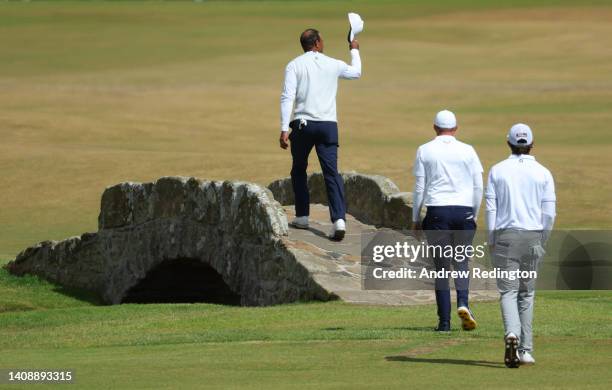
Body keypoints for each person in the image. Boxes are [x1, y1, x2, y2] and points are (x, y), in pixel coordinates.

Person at [279, 28, 361, 241]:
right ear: (316, 43)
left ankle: (303, 216)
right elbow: (356, 72)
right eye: (321, 39)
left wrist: (283, 129)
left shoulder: (294, 65)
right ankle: (339, 220)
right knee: (331, 173)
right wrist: (354, 50)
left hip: (302, 125)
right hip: (327, 126)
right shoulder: (333, 63)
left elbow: (287, 97)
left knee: (298, 169)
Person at [485, 123, 556, 368]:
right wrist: (543, 240)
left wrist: (492, 239)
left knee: (508, 292)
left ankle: (511, 334)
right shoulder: (543, 172)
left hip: (505, 237)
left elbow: (491, 208)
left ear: (509, 143)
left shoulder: (497, 170)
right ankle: (525, 350)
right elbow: (549, 213)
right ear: (532, 144)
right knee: (527, 294)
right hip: (533, 238)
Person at [412, 110, 483, 332]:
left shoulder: (424, 150)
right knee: (461, 262)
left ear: (434, 127)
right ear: (456, 128)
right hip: (463, 212)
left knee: (441, 269)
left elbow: (420, 188)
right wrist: (475, 213)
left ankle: (444, 323)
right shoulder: (468, 150)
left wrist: (415, 218)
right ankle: (463, 303)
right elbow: (478, 185)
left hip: (437, 213)